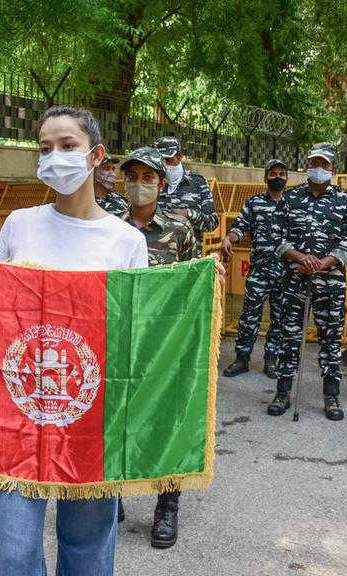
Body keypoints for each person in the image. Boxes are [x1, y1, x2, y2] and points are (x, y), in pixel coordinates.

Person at [0, 105, 149, 576]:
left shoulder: (125, 241)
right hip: (21, 416)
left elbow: (136, 332)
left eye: (67, 146)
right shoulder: (18, 224)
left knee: (88, 554)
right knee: (15, 555)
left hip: (93, 417)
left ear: (96, 155)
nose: (54, 156)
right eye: (45, 148)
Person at [120, 146, 197, 549]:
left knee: (168, 423)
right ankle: (108, 493)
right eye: (132, 176)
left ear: (162, 184)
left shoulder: (181, 233)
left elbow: (196, 288)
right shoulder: (107, 227)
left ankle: (167, 506)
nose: (139, 184)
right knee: (115, 419)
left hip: (165, 347)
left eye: (147, 177)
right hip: (117, 342)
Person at [270, 143, 347, 420]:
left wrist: (323, 263)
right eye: (313, 163)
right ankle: (283, 393)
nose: (318, 168)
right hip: (295, 282)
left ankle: (331, 397)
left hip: (330, 285)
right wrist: (301, 257)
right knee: (289, 339)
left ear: (333, 168)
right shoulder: (290, 199)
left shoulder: (346, 201)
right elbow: (277, 238)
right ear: (307, 166)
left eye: (324, 164)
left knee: (331, 341)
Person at [222, 159, 288, 379]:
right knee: (249, 317)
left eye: (281, 173)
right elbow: (240, 227)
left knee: (280, 319)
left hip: (285, 274)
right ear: (265, 177)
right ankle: (242, 359)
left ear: (286, 177)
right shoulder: (254, 203)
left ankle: (272, 360)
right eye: (273, 174)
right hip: (259, 272)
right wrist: (229, 238)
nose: (277, 177)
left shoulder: (293, 204)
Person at [153, 136, 218, 255]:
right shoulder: (153, 183)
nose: (164, 166)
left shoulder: (197, 183)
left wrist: (189, 213)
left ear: (179, 156)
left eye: (168, 160)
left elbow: (212, 222)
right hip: (158, 258)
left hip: (189, 260)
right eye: (160, 161)